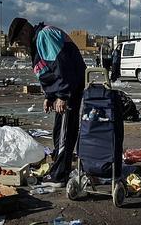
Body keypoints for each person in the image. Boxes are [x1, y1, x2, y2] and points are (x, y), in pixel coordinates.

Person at [8, 17, 86, 187]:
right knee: (59, 132)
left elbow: (61, 65)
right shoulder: (37, 41)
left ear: (25, 31)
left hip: (69, 90)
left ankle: (59, 176)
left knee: (65, 133)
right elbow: (45, 70)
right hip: (63, 90)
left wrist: (62, 95)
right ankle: (58, 170)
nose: (21, 44)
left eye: (19, 39)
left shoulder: (45, 36)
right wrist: (49, 96)